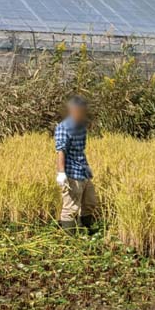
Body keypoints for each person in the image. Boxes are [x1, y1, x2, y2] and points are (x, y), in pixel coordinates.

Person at [54, 95, 98, 233]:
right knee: (71, 208)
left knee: (90, 203)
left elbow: (80, 151)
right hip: (72, 173)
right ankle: (70, 239)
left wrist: (87, 167)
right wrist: (61, 173)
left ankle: (87, 230)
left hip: (83, 172)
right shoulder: (63, 127)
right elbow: (61, 150)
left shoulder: (81, 128)